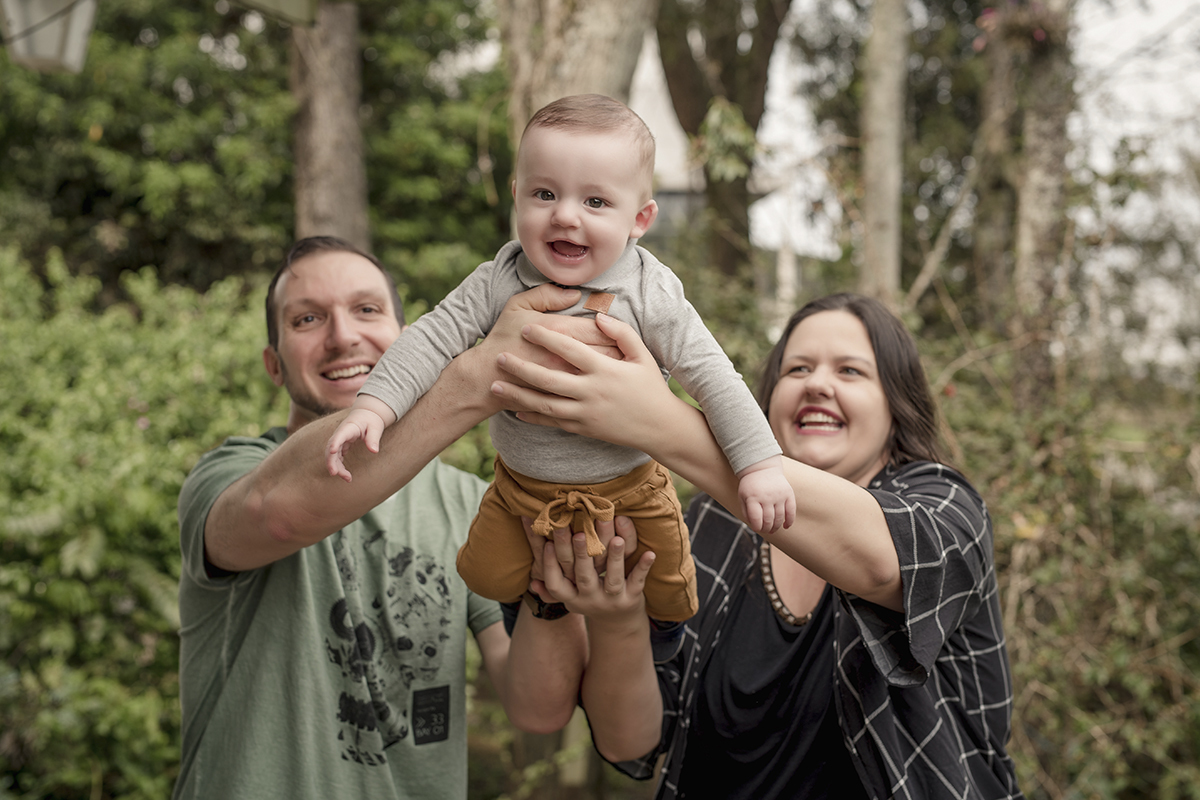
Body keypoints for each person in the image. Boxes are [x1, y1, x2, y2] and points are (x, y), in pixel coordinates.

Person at [489, 293, 1026, 799]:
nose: (817, 384)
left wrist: (658, 420)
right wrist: (617, 619)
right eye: (797, 369)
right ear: (764, 400)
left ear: (896, 406)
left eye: (850, 371)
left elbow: (885, 566)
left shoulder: (947, 505)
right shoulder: (709, 525)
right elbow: (628, 744)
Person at [173, 236, 624, 799]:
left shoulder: (473, 503)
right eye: (308, 319)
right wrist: (482, 375)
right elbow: (280, 515)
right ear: (273, 363)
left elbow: (539, 708)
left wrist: (551, 591)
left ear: (409, 340)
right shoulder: (227, 478)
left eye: (367, 309)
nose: (343, 336)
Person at [325, 94, 794, 625]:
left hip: (630, 488)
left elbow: (712, 374)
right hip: (522, 489)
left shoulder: (648, 289)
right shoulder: (499, 277)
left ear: (639, 219)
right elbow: (431, 337)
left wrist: (759, 465)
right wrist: (374, 406)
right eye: (544, 193)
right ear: (517, 196)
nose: (565, 215)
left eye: (595, 202)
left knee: (672, 600)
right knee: (485, 577)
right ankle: (552, 603)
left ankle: (650, 647)